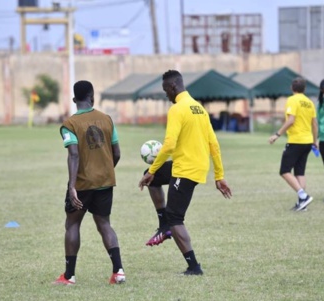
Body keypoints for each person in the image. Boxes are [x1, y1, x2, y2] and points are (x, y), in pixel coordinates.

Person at [138, 70, 232, 275]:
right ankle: (163, 225)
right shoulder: (199, 108)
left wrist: (153, 170)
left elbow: (169, 144)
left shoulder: (177, 109)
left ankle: (194, 266)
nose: (166, 96)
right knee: (152, 177)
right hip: (192, 165)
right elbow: (214, 144)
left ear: (173, 87)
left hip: (186, 171)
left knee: (176, 218)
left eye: (165, 91)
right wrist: (218, 176)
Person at [54, 80, 125, 285]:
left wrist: (72, 187)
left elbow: (74, 155)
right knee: (104, 223)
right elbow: (117, 152)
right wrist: (105, 170)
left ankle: (69, 276)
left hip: (83, 184)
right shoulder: (107, 120)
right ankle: (118, 271)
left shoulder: (69, 125)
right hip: (105, 181)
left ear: (74, 99)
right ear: (92, 96)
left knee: (72, 223)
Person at [268, 77, 318, 212]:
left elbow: (291, 120)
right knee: (300, 172)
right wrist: (315, 140)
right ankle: (303, 204)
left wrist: (277, 134)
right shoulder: (309, 102)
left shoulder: (292, 100)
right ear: (304, 89)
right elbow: (314, 123)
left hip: (296, 141)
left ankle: (303, 196)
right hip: (307, 141)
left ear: (292, 88)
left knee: (284, 171)